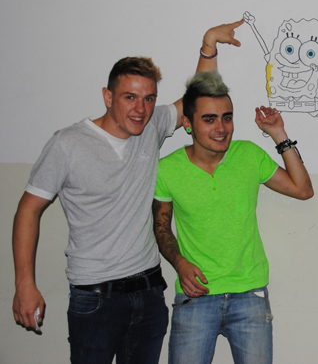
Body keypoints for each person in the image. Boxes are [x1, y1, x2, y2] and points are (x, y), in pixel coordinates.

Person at [12, 19, 244, 363]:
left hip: (148, 294)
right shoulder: (68, 144)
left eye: (149, 99)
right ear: (108, 97)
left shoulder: (150, 127)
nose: (140, 109)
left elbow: (197, 99)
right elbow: (28, 210)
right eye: (130, 97)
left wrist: (209, 44)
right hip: (95, 297)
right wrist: (24, 284)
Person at [152, 71, 313, 364]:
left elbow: (303, 190)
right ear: (187, 123)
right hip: (196, 295)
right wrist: (180, 263)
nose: (221, 128)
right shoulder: (167, 169)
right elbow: (161, 229)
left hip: (249, 294)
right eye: (209, 119)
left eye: (227, 117)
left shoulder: (248, 155)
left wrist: (278, 134)